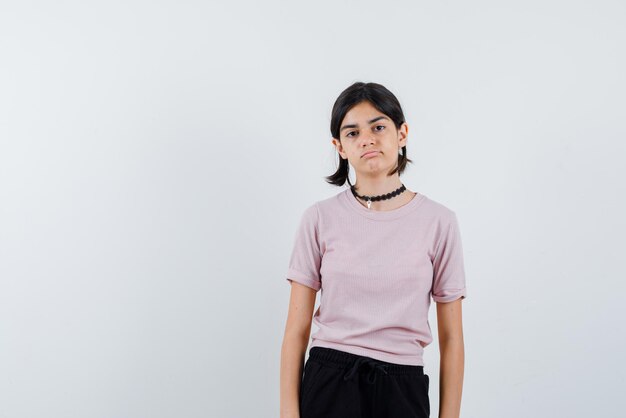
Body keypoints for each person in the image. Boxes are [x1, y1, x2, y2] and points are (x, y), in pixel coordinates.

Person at [279, 82, 468, 418]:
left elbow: (452, 337)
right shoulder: (319, 219)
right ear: (339, 146)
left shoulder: (439, 222)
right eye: (352, 133)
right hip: (330, 381)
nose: (366, 138)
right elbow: (296, 330)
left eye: (378, 127)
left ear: (402, 133)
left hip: (401, 386)